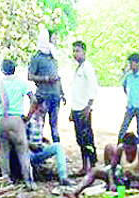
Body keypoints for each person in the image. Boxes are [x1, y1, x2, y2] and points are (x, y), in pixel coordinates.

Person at [0, 59, 35, 189]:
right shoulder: (21, 83)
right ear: (14, 69)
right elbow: (34, 99)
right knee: (23, 151)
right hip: (16, 119)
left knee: (4, 151)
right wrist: (28, 116)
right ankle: (28, 181)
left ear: (2, 70)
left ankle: (6, 181)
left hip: (2, 119)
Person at [70, 132, 139, 198]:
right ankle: (76, 191)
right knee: (94, 171)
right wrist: (112, 182)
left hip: (132, 180)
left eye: (130, 148)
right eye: (126, 148)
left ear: (135, 146)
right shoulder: (120, 149)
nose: (127, 151)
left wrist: (132, 175)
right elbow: (112, 168)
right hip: (119, 177)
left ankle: (120, 187)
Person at [28, 27, 64, 143]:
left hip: (55, 96)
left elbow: (57, 76)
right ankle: (39, 148)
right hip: (43, 96)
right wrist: (46, 79)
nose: (55, 41)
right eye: (52, 39)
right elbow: (30, 76)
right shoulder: (37, 58)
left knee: (54, 125)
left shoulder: (53, 57)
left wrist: (62, 93)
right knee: (40, 125)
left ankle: (57, 149)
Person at [69, 40, 98, 176]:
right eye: (74, 51)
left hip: (83, 108)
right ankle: (84, 167)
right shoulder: (78, 68)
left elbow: (93, 87)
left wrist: (89, 106)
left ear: (84, 52)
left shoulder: (87, 67)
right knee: (80, 139)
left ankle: (93, 167)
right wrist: (72, 110)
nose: (75, 54)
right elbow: (76, 91)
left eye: (78, 51)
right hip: (76, 108)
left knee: (87, 139)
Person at [27, 100, 68, 186]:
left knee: (58, 146)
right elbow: (20, 140)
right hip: (28, 153)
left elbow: (37, 136)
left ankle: (63, 177)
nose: (43, 110)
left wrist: (43, 140)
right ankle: (29, 179)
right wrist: (30, 144)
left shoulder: (40, 120)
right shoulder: (27, 121)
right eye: (41, 108)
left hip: (39, 149)